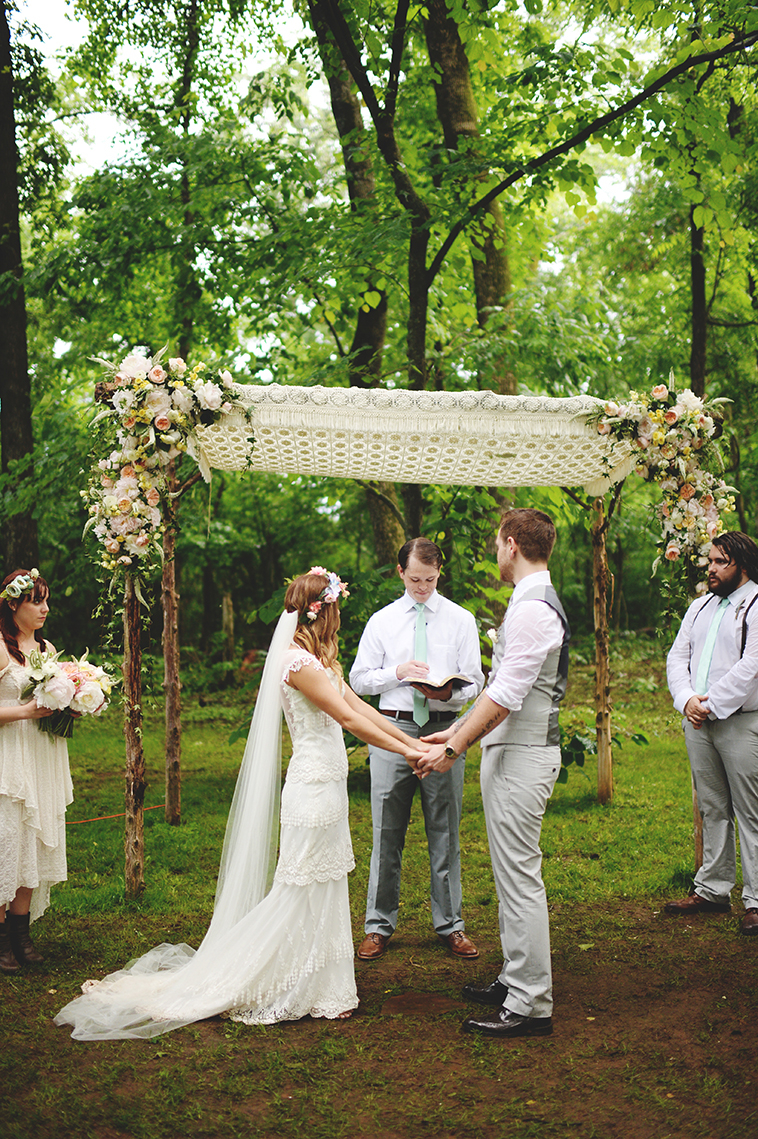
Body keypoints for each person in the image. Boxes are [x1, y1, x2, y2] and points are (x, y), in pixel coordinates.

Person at [55, 568, 426, 1039]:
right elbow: (350, 721)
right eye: (335, 609)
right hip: (311, 788)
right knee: (300, 888)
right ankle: (258, 979)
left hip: (328, 786)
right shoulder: (298, 665)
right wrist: (412, 752)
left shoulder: (322, 662)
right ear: (321, 610)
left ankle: (321, 988)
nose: (338, 618)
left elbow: (366, 709)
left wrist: (417, 742)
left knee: (326, 885)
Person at [419, 509, 569, 1038]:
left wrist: (453, 746)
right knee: (509, 878)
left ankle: (531, 1004)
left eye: (495, 545)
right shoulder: (526, 602)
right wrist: (454, 729)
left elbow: (506, 694)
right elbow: (497, 685)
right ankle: (514, 977)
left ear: (511, 545)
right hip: (508, 751)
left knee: (521, 879)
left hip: (524, 755)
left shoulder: (533, 610)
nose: (494, 553)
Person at [349, 538, 484, 961]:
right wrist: (398, 672)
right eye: (414, 579)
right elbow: (358, 680)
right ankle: (378, 925)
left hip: (444, 730)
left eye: (429, 579)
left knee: (445, 830)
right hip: (393, 730)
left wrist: (451, 693)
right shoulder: (382, 621)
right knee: (387, 830)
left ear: (439, 572)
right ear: (399, 572)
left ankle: (451, 924)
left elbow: (478, 681)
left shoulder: (462, 620)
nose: (422, 586)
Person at [664, 532, 758, 936]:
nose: (712, 569)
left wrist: (711, 703)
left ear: (742, 565)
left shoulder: (756, 604)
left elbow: (751, 664)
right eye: (711, 561)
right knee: (713, 806)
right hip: (698, 723)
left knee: (750, 812)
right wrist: (686, 700)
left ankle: (755, 900)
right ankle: (713, 889)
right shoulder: (700, 606)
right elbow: (677, 655)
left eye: (721, 562)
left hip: (740, 723)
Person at [0, 568, 71, 975]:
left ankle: (21, 935)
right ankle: (0, 938)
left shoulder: (47, 647)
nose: (45, 608)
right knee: (8, 839)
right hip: (10, 754)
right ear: (13, 605)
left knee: (33, 840)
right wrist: (26, 711)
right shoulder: (1, 647)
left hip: (42, 754)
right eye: (36, 601)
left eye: (46, 600)